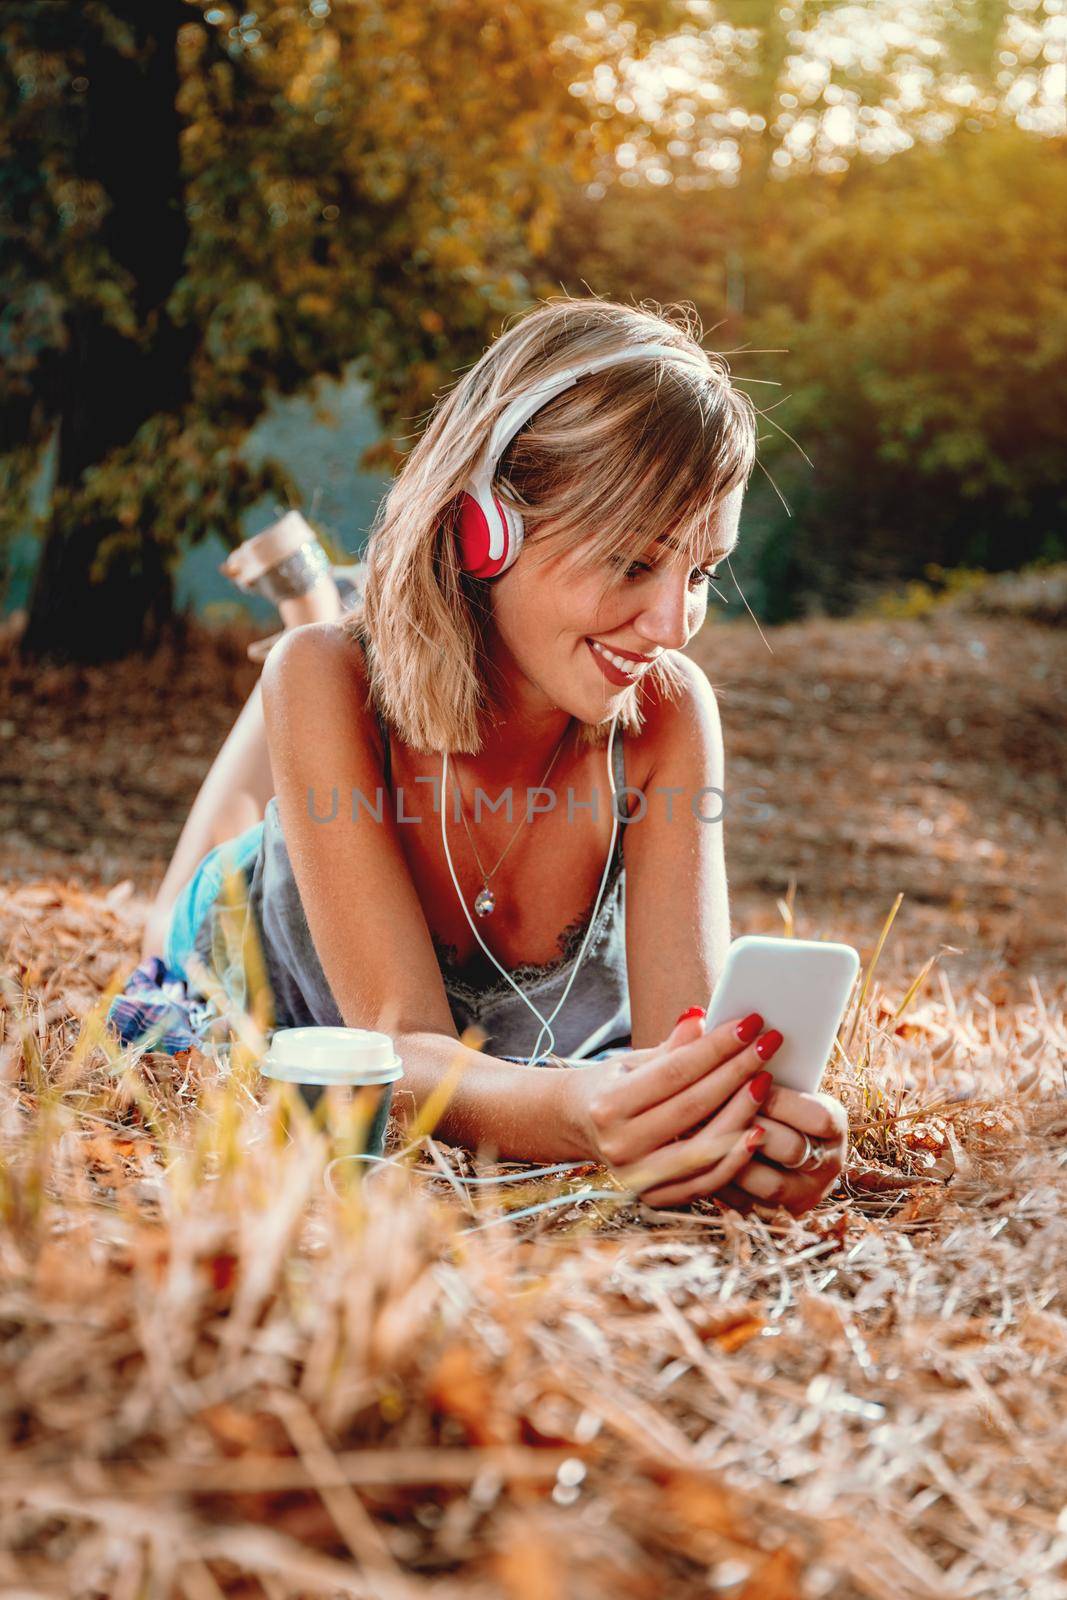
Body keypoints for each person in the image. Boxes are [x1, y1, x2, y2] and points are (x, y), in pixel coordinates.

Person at [156, 296, 849, 1214]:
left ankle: (331, 600)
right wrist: (574, 1111)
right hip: (249, 948)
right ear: (487, 527)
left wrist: (738, 1131)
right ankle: (315, 607)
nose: (674, 625)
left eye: (701, 573)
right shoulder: (328, 684)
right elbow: (396, 1052)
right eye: (635, 564)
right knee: (290, 698)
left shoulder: (667, 714)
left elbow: (685, 1041)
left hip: (495, 1040)